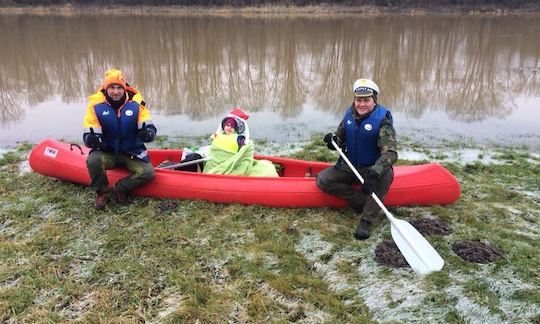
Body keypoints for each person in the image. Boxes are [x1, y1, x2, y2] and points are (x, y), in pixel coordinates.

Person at [316, 78, 398, 240]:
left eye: (366, 100)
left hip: (373, 167)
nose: (361, 104)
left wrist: (375, 171)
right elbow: (340, 137)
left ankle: (367, 219)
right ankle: (363, 202)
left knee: (385, 177)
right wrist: (333, 141)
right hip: (350, 165)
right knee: (323, 180)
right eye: (358, 100)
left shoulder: (383, 122)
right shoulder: (349, 115)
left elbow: (391, 153)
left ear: (374, 101)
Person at [83, 69, 157, 210]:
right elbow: (89, 131)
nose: (115, 92)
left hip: (132, 152)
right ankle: (102, 192)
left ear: (124, 88)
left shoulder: (137, 105)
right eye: (112, 87)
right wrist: (91, 139)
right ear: (106, 88)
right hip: (108, 152)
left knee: (148, 173)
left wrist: (148, 133)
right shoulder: (96, 107)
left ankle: (120, 188)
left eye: (119, 88)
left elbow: (149, 125)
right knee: (93, 161)